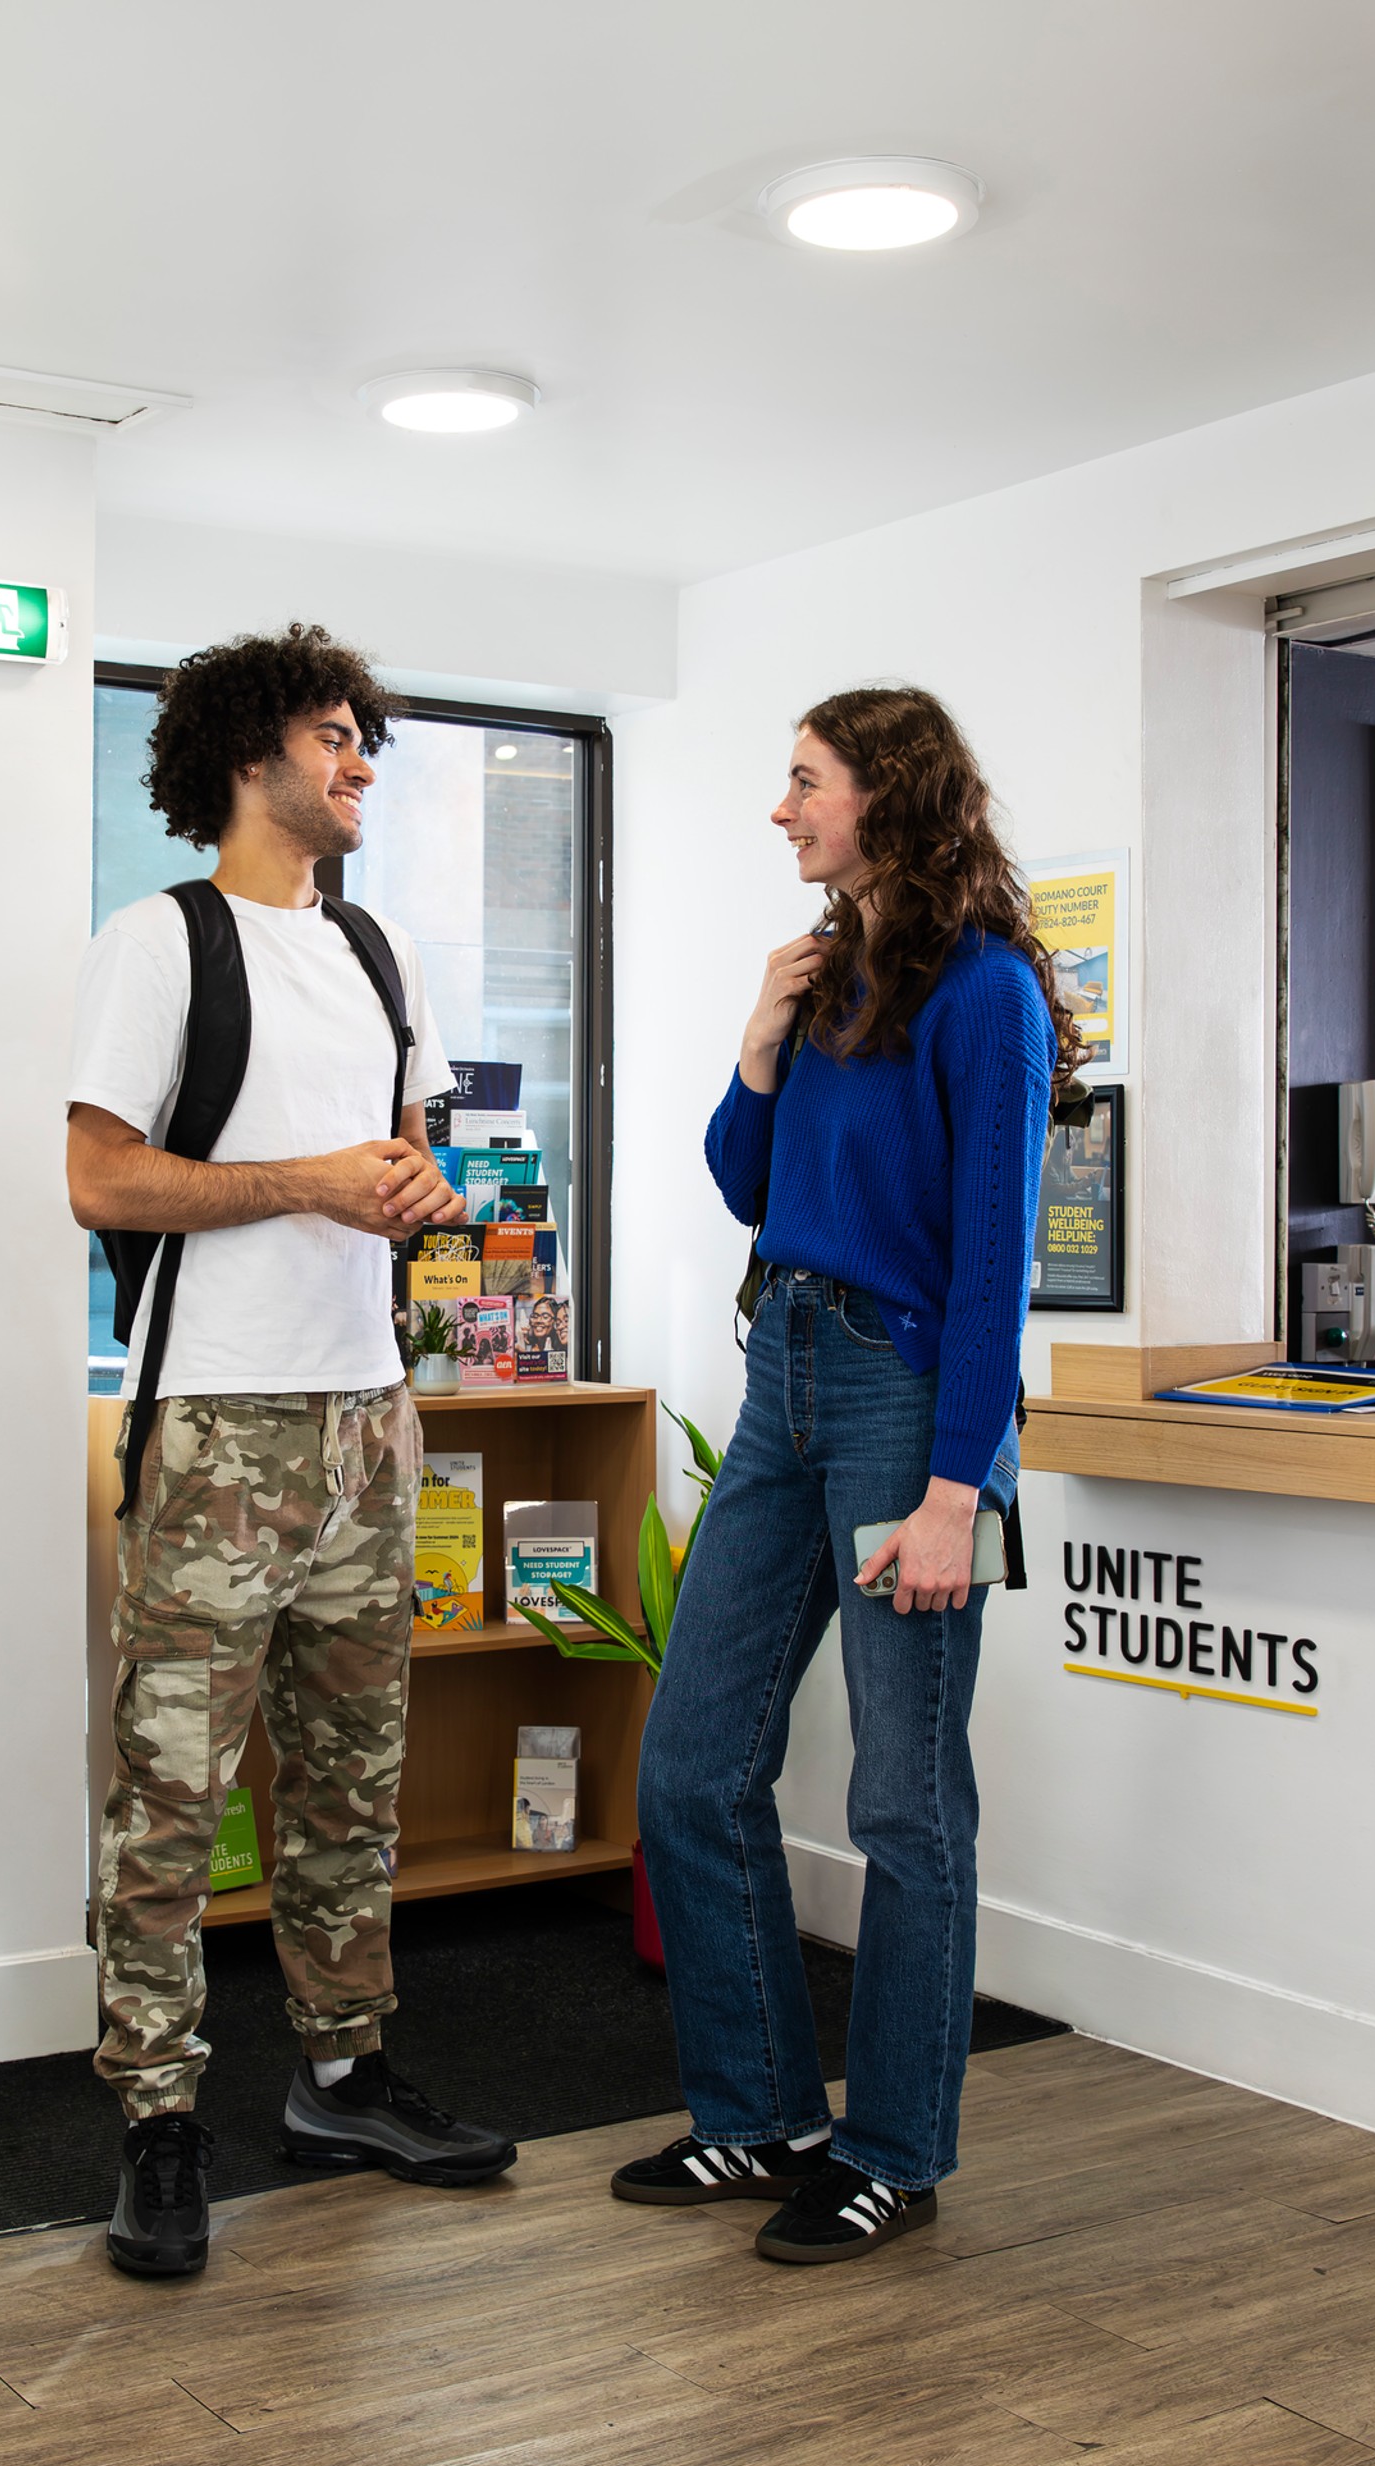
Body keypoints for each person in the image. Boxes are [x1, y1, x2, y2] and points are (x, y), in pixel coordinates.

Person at [64, 624, 518, 2281]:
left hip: (365, 1417)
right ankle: (158, 2121)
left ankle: (342, 2077)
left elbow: (408, 1150)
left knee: (351, 1778)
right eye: (334, 737)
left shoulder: (378, 952)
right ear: (251, 755)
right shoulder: (162, 942)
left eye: (366, 740)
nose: (360, 765)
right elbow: (102, 1182)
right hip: (215, 1426)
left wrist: (415, 1185)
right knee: (174, 1794)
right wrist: (306, 1182)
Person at [613, 687, 1062, 2265]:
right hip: (782, 1375)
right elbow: (753, 1188)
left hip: (903, 1404)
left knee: (903, 1801)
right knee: (691, 1763)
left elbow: (1001, 1263)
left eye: (803, 780)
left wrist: (960, 1490)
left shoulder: (986, 993)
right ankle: (757, 2119)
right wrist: (755, 1044)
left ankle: (891, 2149)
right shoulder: (826, 978)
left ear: (890, 794)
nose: (782, 809)